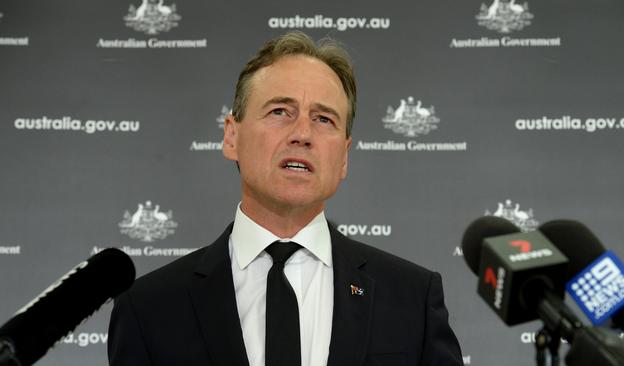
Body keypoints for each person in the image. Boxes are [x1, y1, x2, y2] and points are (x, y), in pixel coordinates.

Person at [108, 31, 463, 366]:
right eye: (280, 111)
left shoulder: (411, 300)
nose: (303, 134)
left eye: (324, 119)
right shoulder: (148, 308)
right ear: (231, 136)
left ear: (343, 157)